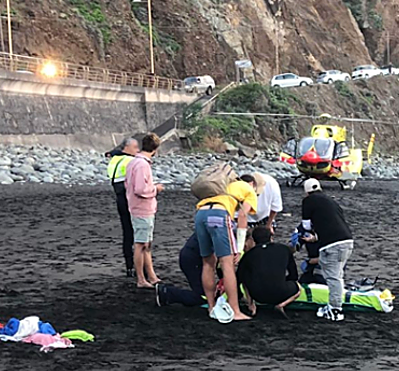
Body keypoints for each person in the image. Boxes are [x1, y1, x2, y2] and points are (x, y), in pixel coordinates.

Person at [180, 178, 258, 321]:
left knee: (208, 262)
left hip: (200, 214)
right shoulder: (249, 191)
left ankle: (211, 307)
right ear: (253, 185)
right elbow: (242, 216)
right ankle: (235, 310)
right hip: (219, 215)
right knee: (227, 264)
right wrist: (239, 249)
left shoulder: (222, 185)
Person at [300, 179, 353, 321]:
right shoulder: (331, 201)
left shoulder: (308, 201)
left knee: (332, 277)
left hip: (332, 245)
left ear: (306, 192)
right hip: (347, 240)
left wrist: (307, 235)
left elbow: (306, 225)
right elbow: (331, 225)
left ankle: (335, 309)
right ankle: (336, 304)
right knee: (338, 275)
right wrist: (315, 238)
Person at [125, 132, 163, 288]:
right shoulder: (142, 165)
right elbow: (141, 189)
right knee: (141, 244)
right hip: (142, 208)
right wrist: (156, 189)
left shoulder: (134, 162)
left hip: (138, 207)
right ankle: (141, 279)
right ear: (155, 149)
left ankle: (152, 276)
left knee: (146, 244)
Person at [237, 226, 301, 314]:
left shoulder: (249, 255)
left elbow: (239, 278)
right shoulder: (284, 249)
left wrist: (240, 296)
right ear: (271, 237)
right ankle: (281, 305)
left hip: (257, 295)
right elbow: (294, 275)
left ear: (254, 240)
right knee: (298, 287)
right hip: (280, 293)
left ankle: (251, 306)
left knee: (246, 279)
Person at [105, 136, 140, 278]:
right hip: (130, 198)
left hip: (119, 198)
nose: (137, 150)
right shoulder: (130, 161)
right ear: (127, 147)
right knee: (138, 233)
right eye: (135, 147)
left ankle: (129, 266)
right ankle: (139, 265)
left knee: (127, 233)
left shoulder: (114, 159)